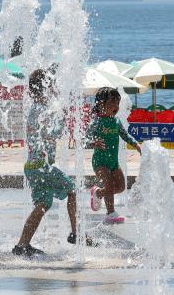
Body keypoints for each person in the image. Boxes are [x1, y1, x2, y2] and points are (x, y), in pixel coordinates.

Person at [12, 69, 91, 257]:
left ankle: (22, 244)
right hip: (43, 166)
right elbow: (53, 134)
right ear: (47, 88)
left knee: (42, 205)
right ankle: (75, 233)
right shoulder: (43, 111)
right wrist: (63, 118)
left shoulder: (33, 110)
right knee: (71, 191)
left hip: (32, 166)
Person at [88, 87, 141, 224]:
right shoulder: (96, 122)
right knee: (110, 186)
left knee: (121, 187)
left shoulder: (116, 122)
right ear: (100, 104)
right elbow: (84, 138)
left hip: (113, 162)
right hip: (100, 161)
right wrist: (93, 142)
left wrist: (136, 145)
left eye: (118, 103)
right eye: (112, 102)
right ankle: (110, 213)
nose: (116, 106)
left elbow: (125, 135)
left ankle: (98, 193)